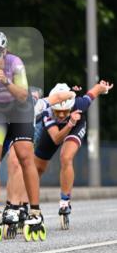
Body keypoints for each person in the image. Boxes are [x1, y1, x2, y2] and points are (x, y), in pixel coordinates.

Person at [0, 29, 45, 241]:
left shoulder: (15, 63)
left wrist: (4, 81)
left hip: (21, 109)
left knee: (24, 156)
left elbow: (23, 96)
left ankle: (35, 211)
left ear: (5, 52)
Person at [34, 79, 113, 228]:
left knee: (66, 157)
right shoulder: (47, 111)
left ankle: (65, 202)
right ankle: (27, 204)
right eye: (59, 112)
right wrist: (69, 122)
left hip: (77, 125)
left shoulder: (79, 104)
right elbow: (56, 139)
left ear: (71, 107)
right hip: (57, 130)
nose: (62, 115)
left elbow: (95, 90)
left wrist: (104, 88)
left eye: (65, 111)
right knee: (36, 168)